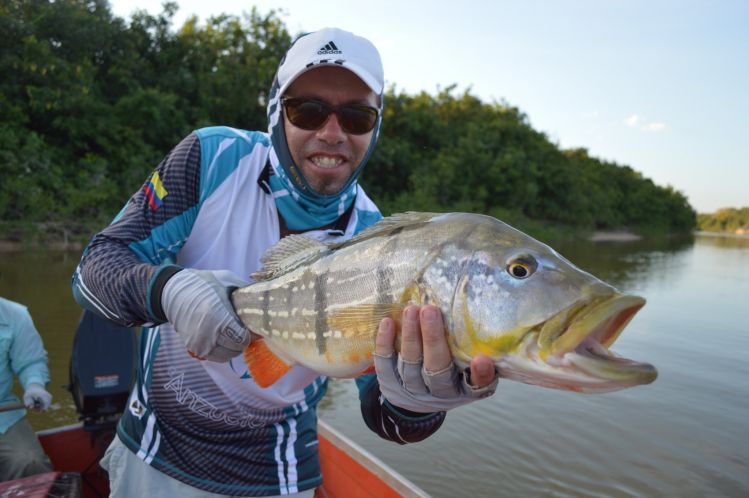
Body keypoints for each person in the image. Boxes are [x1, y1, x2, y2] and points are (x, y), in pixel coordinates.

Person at [72, 27, 499, 497]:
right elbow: (95, 268)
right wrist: (166, 290)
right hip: (157, 454)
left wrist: (416, 403)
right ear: (277, 110)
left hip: (279, 471)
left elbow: (387, 419)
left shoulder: (380, 235)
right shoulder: (213, 158)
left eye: (356, 117)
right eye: (308, 110)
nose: (332, 133)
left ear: (376, 128)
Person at [0, 297, 53, 481]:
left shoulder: (16, 315)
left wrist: (34, 385)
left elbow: (30, 363)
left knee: (30, 462)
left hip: (3, 416)